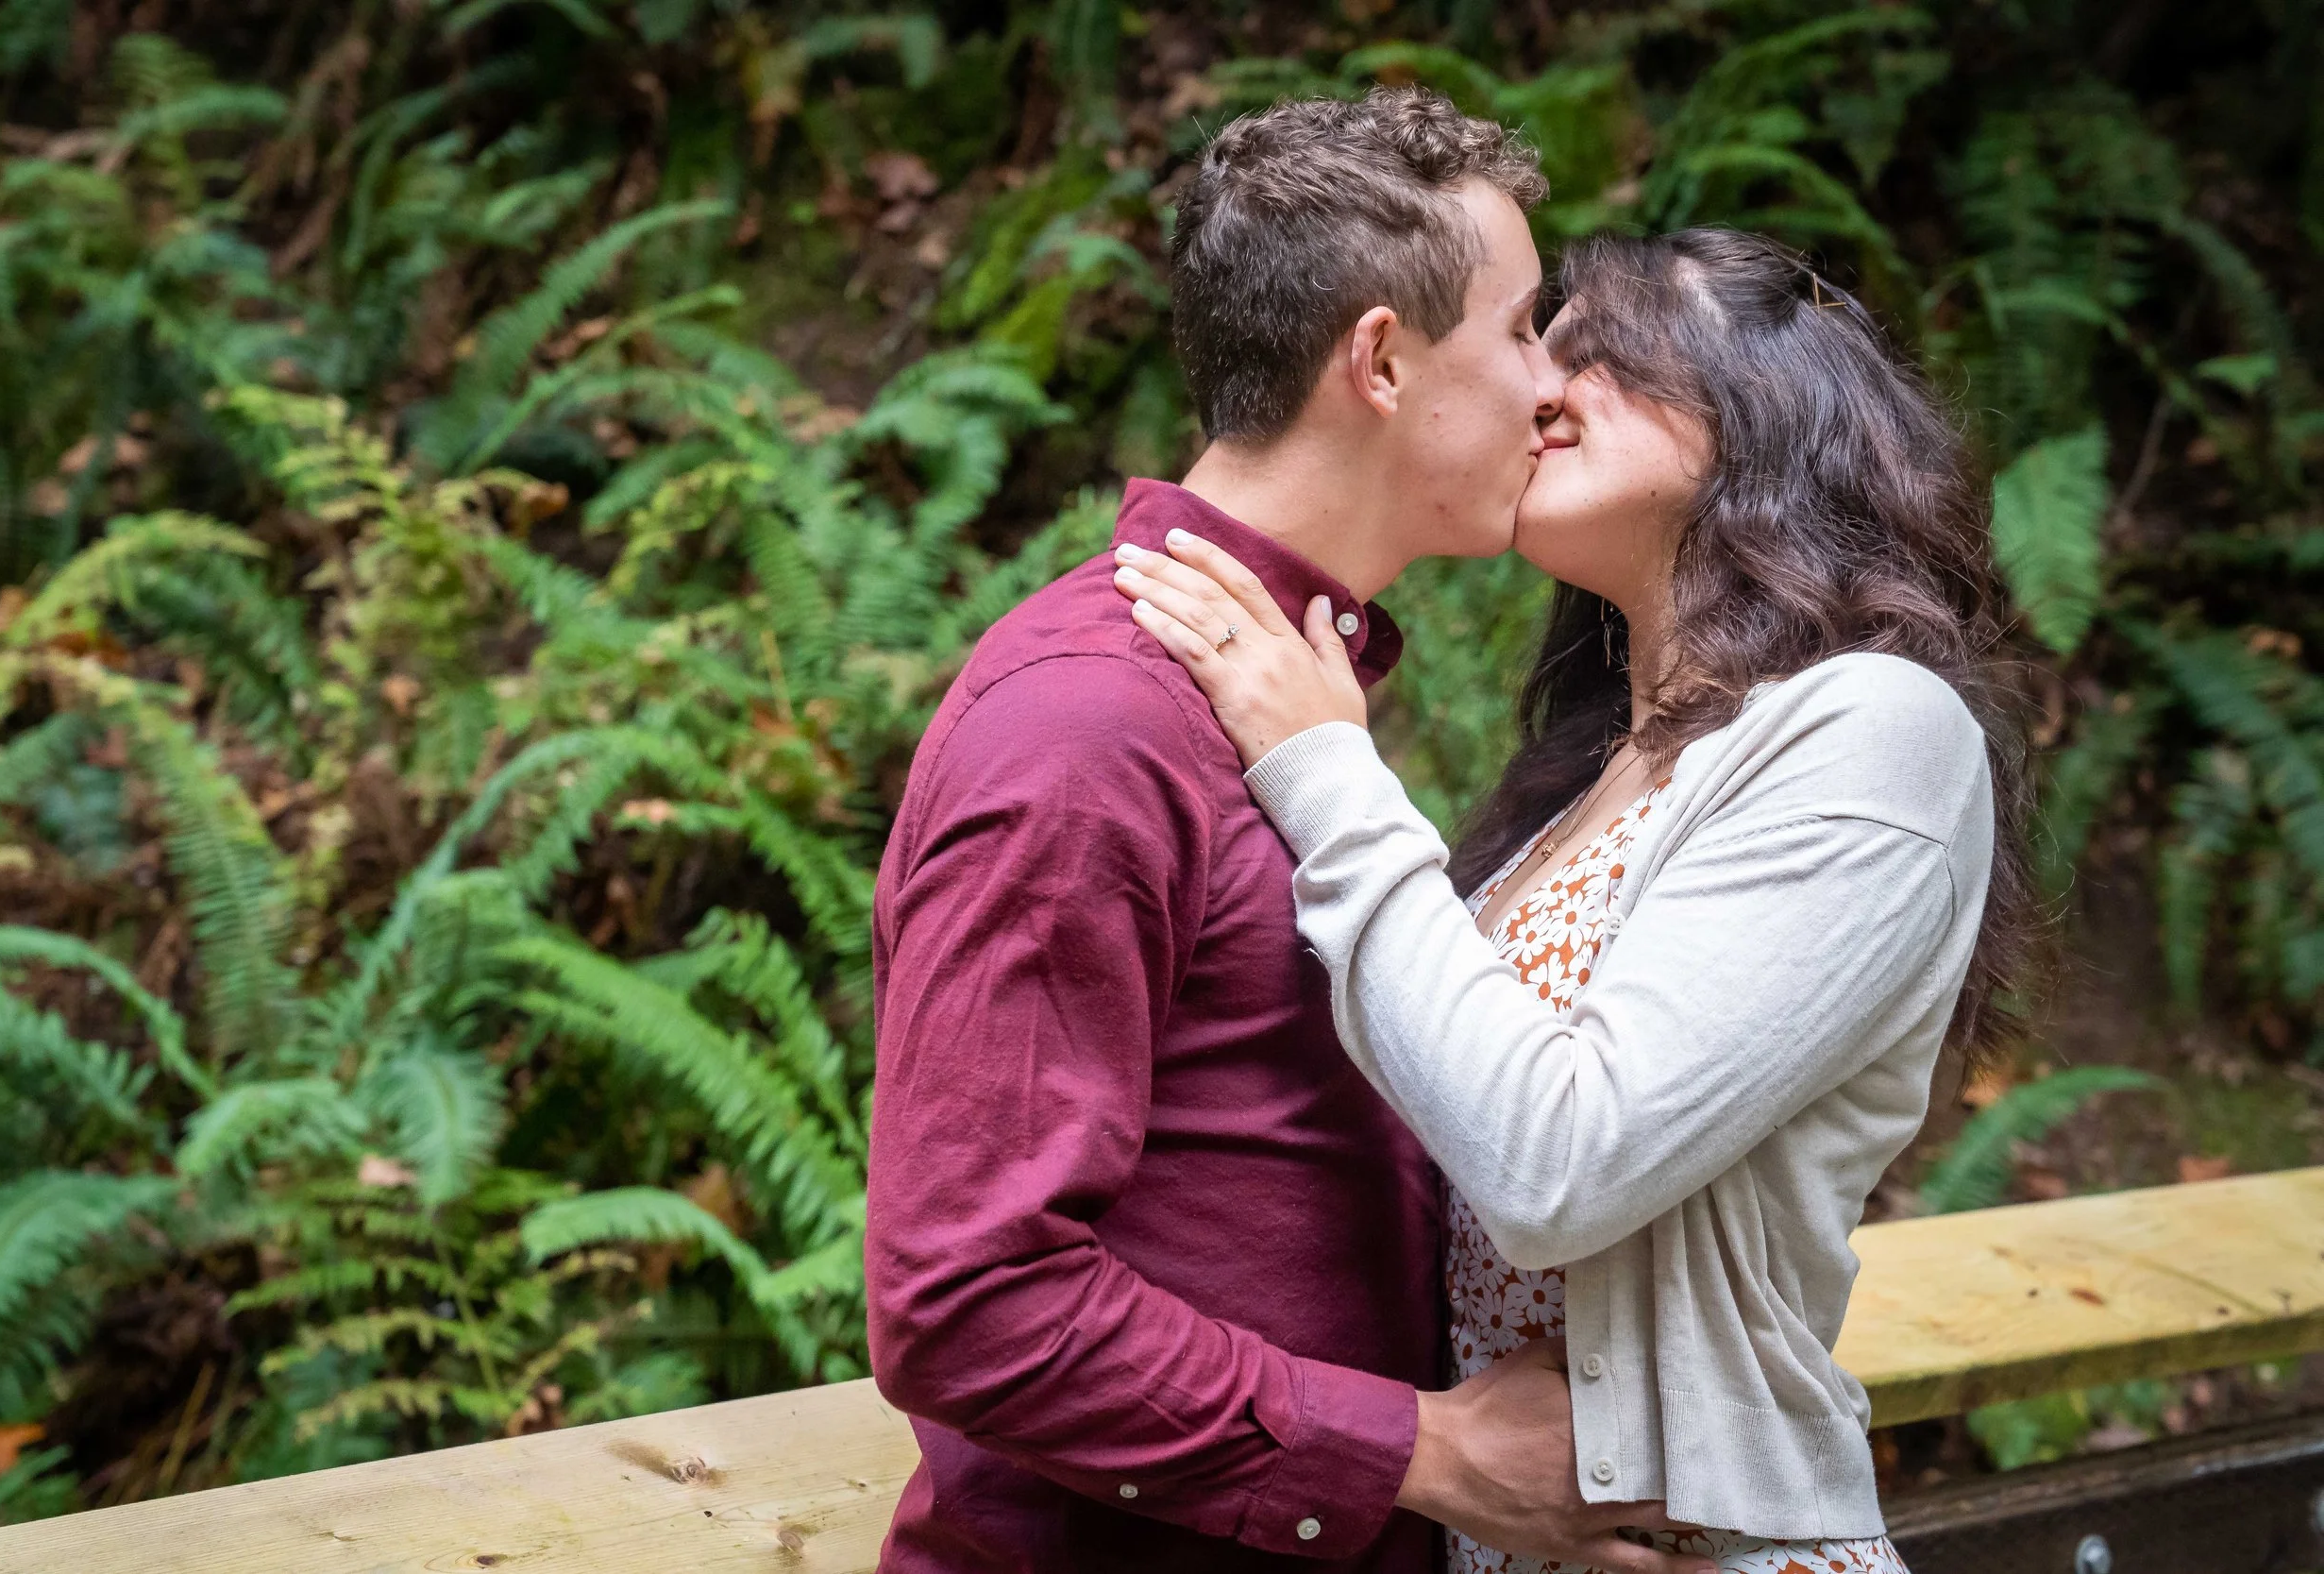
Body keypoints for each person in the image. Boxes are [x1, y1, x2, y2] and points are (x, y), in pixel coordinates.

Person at [865, 93, 1718, 1574]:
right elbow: (964, 1299)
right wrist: (1430, 1453)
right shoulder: (1087, 728)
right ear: (1381, 361)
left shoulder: (1283, 695)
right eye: (1524, 331)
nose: (1553, 388)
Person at [1113, 226, 2036, 1574]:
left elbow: (1561, 1159)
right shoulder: (1593, 778)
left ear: (1765, 405)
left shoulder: (1877, 728)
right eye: (1534, 348)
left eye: (1596, 349)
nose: (1540, 390)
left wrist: (1323, 769)